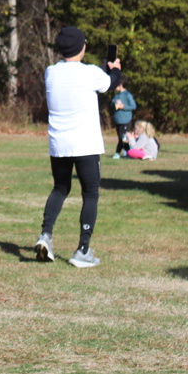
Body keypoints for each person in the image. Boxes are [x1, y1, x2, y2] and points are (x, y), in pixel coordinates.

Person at [35, 26, 121, 269]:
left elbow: (80, 79)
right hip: (86, 144)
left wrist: (104, 70)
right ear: (82, 46)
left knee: (60, 189)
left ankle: (45, 235)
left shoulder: (51, 72)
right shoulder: (91, 73)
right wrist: (115, 69)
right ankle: (82, 249)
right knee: (90, 194)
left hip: (59, 145)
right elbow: (111, 83)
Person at [108, 76, 137, 158]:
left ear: (121, 85)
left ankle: (117, 153)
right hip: (118, 120)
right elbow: (112, 104)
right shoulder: (116, 95)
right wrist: (114, 103)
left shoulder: (128, 95)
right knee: (122, 138)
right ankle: (128, 152)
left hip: (125, 120)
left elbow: (133, 106)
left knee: (122, 138)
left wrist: (123, 106)